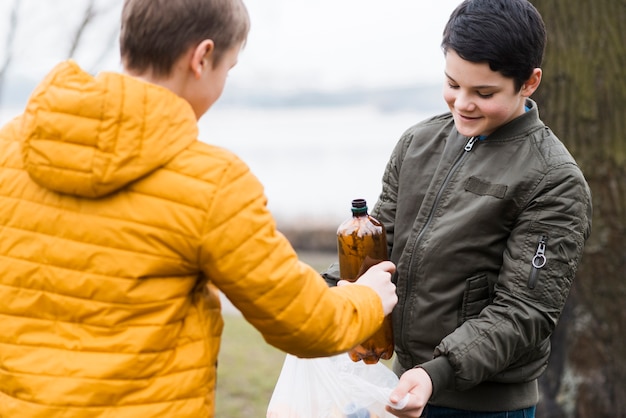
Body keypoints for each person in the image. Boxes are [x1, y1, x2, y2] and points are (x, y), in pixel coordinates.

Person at [0, 0, 398, 417]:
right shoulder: (211, 181)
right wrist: (366, 298)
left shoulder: (13, 147)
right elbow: (304, 320)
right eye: (227, 69)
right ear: (202, 57)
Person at [322, 0, 592, 417]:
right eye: (453, 84)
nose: (462, 103)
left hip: (482, 406)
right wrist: (321, 295)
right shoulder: (417, 144)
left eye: (484, 93)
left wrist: (438, 372)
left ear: (529, 82)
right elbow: (379, 248)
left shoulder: (554, 179)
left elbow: (525, 311)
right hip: (401, 386)